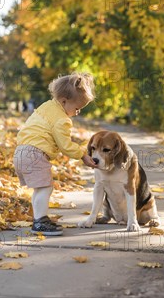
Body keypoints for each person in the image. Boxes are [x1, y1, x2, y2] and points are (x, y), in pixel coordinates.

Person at [13, 72, 97, 236]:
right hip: (34, 153)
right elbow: (65, 146)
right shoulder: (62, 119)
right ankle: (39, 222)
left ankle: (40, 219)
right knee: (45, 188)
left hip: (21, 151)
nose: (77, 113)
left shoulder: (46, 106)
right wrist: (83, 155)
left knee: (40, 189)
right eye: (77, 108)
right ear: (64, 101)